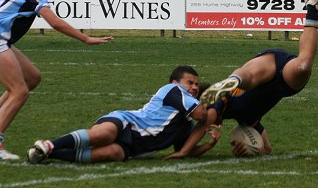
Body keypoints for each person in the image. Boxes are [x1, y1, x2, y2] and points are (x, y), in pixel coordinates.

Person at [165, 0, 318, 158]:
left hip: (266, 67)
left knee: (246, 77)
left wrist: (184, 151)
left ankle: (231, 80)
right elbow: (267, 149)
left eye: (200, 116)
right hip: (281, 86)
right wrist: (250, 149)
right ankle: (312, 6)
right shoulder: (245, 117)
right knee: (303, 66)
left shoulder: (218, 102)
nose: (202, 120)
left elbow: (206, 121)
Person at [0, 0, 113, 160]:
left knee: (32, 77)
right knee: (19, 91)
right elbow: (55, 23)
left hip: (3, 40)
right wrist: (85, 38)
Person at [27, 66, 220, 163]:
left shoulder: (186, 122)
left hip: (134, 146)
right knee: (104, 135)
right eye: (190, 82)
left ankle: (47, 153)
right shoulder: (174, 90)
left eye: (196, 84)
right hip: (127, 122)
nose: (194, 87)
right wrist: (214, 103)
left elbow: (185, 150)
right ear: (175, 81)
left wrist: (210, 144)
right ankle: (50, 144)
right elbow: (202, 114)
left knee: (112, 153)